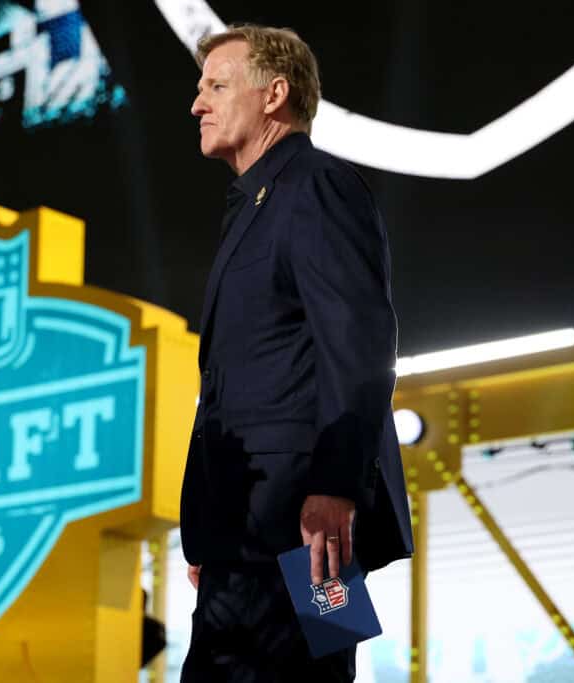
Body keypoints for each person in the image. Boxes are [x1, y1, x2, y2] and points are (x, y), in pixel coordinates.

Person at [179, 24, 415, 682]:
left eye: (217, 86)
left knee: (320, 666)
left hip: (300, 539)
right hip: (255, 540)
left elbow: (361, 342)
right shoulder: (256, 203)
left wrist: (337, 485)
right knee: (323, 671)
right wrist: (210, 529)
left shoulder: (314, 187)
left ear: (275, 94)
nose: (197, 104)